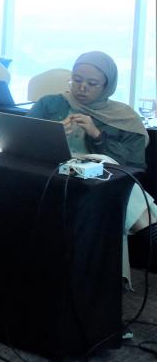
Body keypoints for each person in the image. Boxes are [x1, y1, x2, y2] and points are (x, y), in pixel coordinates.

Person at [28, 51, 156, 273]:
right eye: (76, 80)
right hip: (51, 175)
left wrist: (97, 135)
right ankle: (150, 228)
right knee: (118, 192)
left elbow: (135, 164)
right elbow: (21, 137)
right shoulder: (50, 104)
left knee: (114, 186)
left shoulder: (124, 116)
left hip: (97, 182)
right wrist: (54, 133)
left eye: (92, 83)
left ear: (107, 85)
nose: (82, 88)